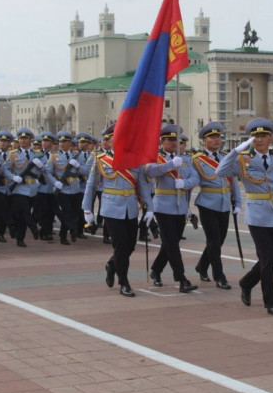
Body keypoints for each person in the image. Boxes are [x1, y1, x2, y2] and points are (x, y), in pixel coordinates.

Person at [216, 118, 273, 317]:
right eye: (256, 136)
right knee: (267, 258)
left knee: (271, 258)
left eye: (263, 136)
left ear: (270, 138)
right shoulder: (243, 159)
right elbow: (219, 171)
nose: (259, 140)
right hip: (257, 215)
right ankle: (271, 302)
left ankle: (247, 282)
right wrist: (234, 151)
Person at [83, 124, 154, 297]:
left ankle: (112, 265)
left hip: (131, 208)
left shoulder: (135, 160)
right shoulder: (101, 159)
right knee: (121, 246)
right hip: (112, 208)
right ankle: (124, 282)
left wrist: (150, 208)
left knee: (130, 246)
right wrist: (87, 209)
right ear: (111, 140)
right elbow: (91, 185)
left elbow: (143, 186)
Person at [147, 124, 199, 293]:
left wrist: (184, 183)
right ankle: (182, 278)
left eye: (175, 140)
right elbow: (151, 172)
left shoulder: (185, 159)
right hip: (163, 206)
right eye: (169, 140)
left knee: (171, 243)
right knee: (172, 245)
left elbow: (195, 177)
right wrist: (169, 165)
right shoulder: (155, 157)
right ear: (162, 141)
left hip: (180, 205)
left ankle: (156, 269)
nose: (173, 143)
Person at [191, 122, 241, 289]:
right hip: (207, 202)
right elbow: (193, 180)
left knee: (219, 240)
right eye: (212, 137)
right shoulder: (197, 159)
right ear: (204, 140)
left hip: (224, 203)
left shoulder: (227, 157)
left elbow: (233, 181)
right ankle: (219, 275)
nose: (216, 140)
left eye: (218, 136)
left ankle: (202, 265)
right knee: (213, 239)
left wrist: (238, 203)